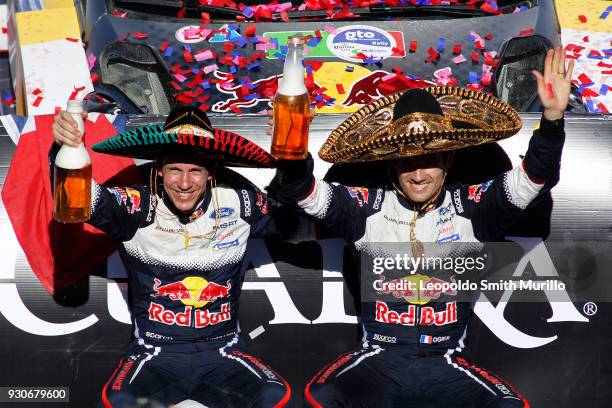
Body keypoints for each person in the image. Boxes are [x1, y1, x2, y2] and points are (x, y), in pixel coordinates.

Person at [275, 47, 573, 407]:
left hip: (446, 363)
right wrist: (291, 148)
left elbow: (535, 178)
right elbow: (302, 193)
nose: (418, 175)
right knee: (321, 397)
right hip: (374, 361)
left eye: (429, 161)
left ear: (448, 159)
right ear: (390, 164)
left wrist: (553, 119)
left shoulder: (472, 207)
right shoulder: (363, 207)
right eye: (407, 162)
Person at [51, 106, 292, 407]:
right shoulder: (137, 203)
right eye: (175, 169)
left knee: (278, 398)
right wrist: (61, 147)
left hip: (223, 351)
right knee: (117, 403)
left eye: (195, 171)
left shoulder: (240, 200)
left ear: (212, 172)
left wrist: (293, 163)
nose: (185, 183)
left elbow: (297, 222)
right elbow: (80, 198)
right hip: (153, 354)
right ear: (159, 169)